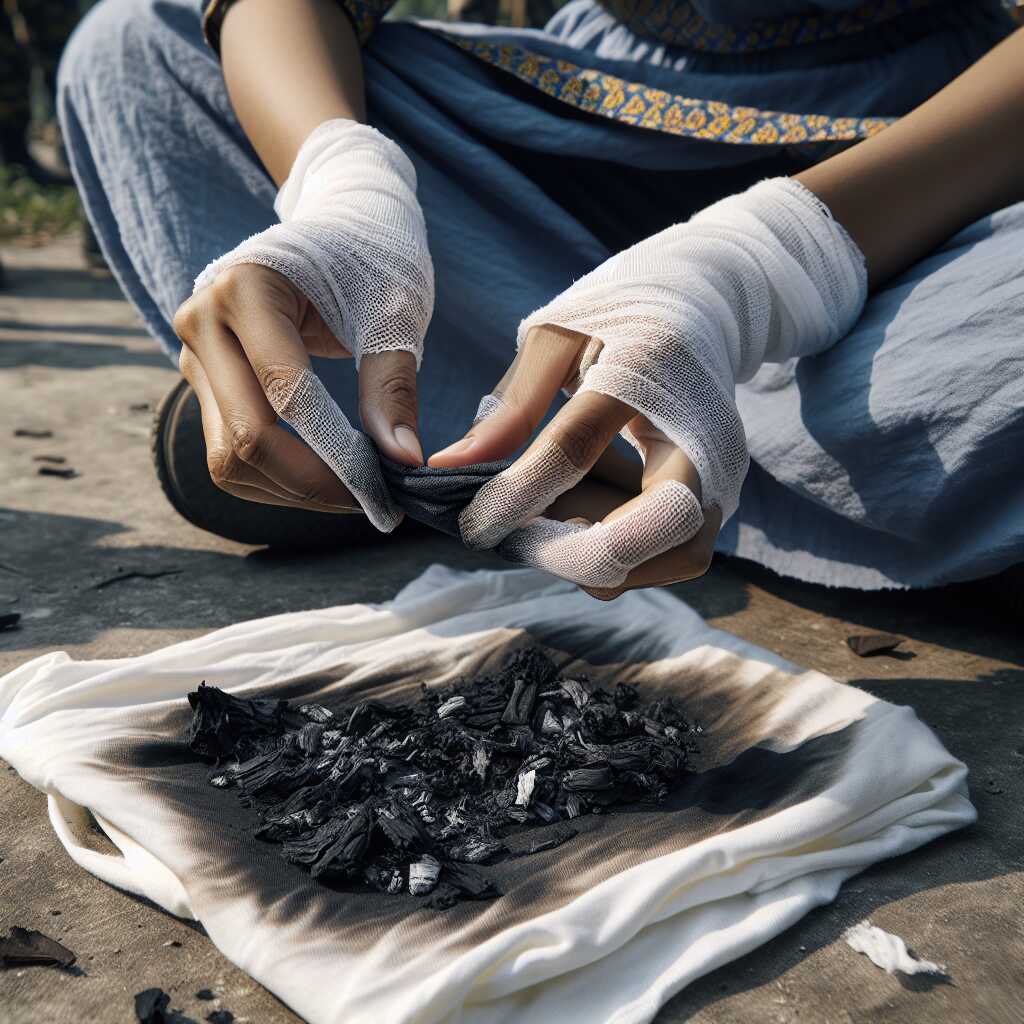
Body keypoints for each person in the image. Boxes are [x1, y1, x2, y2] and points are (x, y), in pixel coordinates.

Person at [56, 0, 1024, 597]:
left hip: (933, 158)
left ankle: (442, 469)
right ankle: (625, 462)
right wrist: (345, 187)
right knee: (132, 50)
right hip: (578, 122)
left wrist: (765, 261)